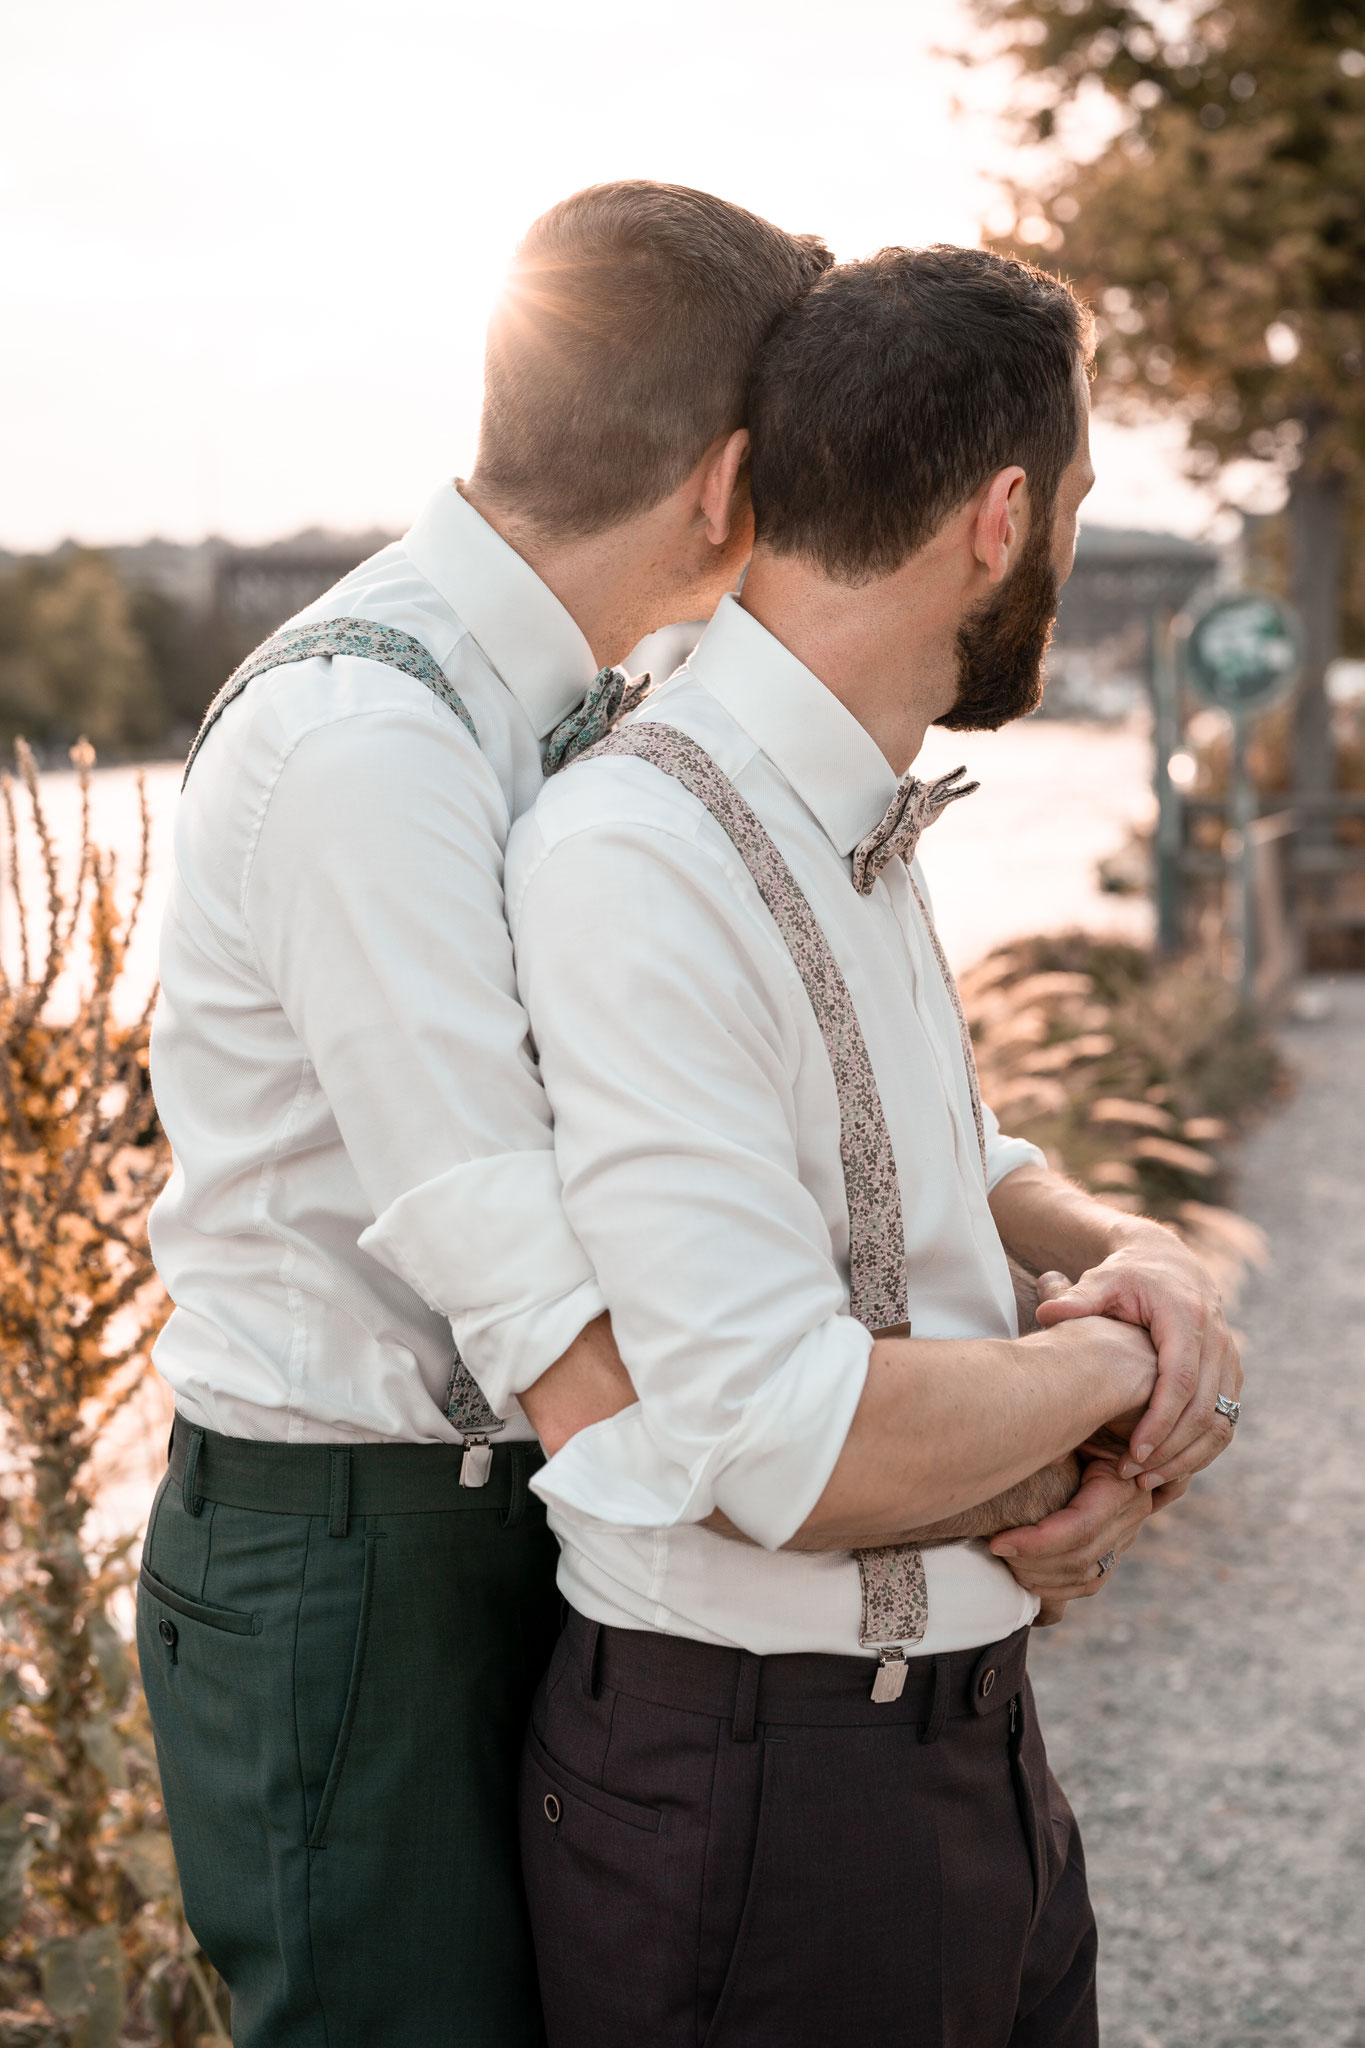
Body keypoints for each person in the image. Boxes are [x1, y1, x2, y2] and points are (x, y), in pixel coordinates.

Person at [507, 245, 1243, 2047]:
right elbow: (789, 1439)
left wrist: (1118, 1251)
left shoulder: (856, 803)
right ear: (1002, 521)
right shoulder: (641, 852)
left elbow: (946, 1158)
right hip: (766, 1814)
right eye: (1071, 507)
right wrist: (1118, 1374)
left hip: (970, 1750)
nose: (1061, 551)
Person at [135, 182, 834, 2048]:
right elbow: (496, 1238)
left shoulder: (543, 696)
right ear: (729, 480)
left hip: (474, 1511)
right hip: (350, 1562)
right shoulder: (371, 740)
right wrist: (820, 1539)